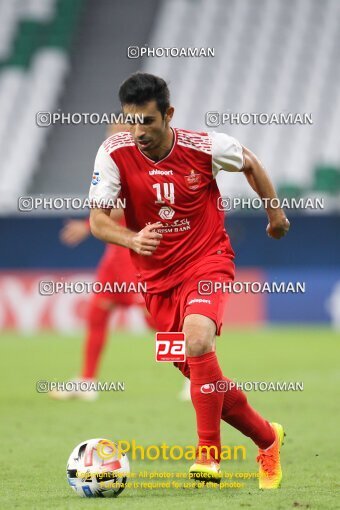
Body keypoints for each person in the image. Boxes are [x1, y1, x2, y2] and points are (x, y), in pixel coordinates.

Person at [89, 72, 290, 489]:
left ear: (169, 114)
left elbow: (250, 162)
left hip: (207, 260)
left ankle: (207, 458)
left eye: (147, 120)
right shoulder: (113, 151)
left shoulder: (204, 146)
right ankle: (268, 439)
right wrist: (131, 237)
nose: (139, 131)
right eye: (131, 120)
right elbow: (97, 222)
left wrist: (276, 215)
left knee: (199, 342)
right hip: (157, 280)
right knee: (197, 372)